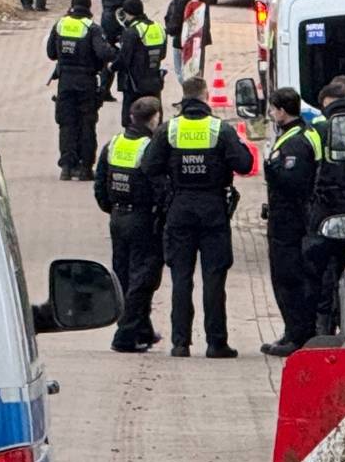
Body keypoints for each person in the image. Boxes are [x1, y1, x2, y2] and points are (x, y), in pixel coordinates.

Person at [141, 76, 253, 357]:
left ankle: (180, 343)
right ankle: (216, 343)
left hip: (180, 208)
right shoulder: (219, 129)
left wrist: (170, 187)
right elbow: (244, 163)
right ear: (205, 97)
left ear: (185, 97)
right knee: (214, 278)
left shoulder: (170, 129)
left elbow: (149, 165)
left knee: (181, 278)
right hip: (213, 207)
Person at [93, 96, 168, 353]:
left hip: (118, 218)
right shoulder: (150, 148)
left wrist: (111, 209)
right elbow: (159, 186)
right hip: (142, 219)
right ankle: (124, 335)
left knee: (124, 274)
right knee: (143, 277)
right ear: (154, 118)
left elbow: (100, 184)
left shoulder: (114, 144)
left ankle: (142, 329)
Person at [258, 87, 323, 356]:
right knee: (288, 277)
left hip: (291, 222)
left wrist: (269, 167)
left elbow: (292, 182)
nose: (271, 114)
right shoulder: (299, 134)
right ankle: (292, 331)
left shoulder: (296, 141)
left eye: (273, 109)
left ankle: (297, 336)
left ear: (282, 111)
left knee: (289, 278)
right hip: (291, 218)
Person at [304, 75, 345, 341]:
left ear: (326, 103)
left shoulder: (321, 128)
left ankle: (322, 329)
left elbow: (311, 169)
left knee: (319, 273)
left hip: (326, 210)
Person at [44, 0, 114, 180]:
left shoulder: (60, 25)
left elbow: (51, 53)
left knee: (66, 124)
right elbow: (104, 53)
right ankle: (85, 168)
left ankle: (66, 166)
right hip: (86, 82)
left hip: (65, 82)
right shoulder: (92, 28)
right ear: (89, 8)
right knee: (87, 124)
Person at [110, 0, 168, 128]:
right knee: (154, 119)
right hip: (154, 81)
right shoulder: (158, 28)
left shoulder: (132, 31)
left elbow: (124, 59)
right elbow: (162, 54)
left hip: (134, 83)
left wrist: (111, 67)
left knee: (133, 122)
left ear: (128, 13)